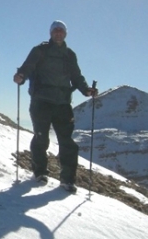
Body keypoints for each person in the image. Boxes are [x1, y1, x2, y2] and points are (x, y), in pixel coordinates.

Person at [13, 20, 98, 192]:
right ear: (51, 33)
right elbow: (27, 67)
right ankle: (40, 172)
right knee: (41, 137)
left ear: (65, 33)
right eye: (55, 30)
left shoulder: (69, 55)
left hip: (62, 103)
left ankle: (67, 180)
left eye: (61, 30)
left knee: (66, 142)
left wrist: (86, 90)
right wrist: (21, 76)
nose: (58, 33)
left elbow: (76, 76)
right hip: (41, 101)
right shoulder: (40, 50)